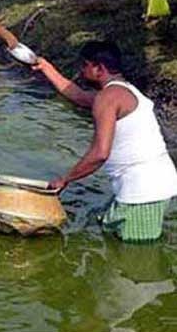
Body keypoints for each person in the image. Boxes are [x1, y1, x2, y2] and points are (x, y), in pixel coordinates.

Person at [32, 41, 177, 242]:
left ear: (99, 68)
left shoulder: (108, 97)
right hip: (148, 183)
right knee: (106, 229)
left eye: (85, 65)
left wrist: (65, 179)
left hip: (144, 192)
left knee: (136, 258)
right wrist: (46, 68)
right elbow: (80, 97)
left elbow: (100, 153)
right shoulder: (121, 90)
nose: (81, 71)